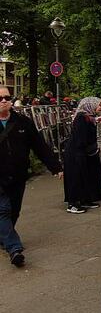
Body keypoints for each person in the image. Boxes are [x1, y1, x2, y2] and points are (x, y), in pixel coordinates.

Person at [0, 85, 63, 266]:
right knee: (3, 210)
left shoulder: (23, 122)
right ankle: (14, 248)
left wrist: (55, 167)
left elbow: (39, 146)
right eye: (0, 98)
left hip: (18, 175)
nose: (4, 101)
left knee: (14, 211)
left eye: (7, 97)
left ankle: (5, 235)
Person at [63, 97, 101, 213]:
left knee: (84, 176)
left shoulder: (88, 117)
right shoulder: (82, 118)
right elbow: (81, 138)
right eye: (99, 105)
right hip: (76, 153)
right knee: (76, 177)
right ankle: (73, 203)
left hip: (81, 152)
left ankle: (84, 200)